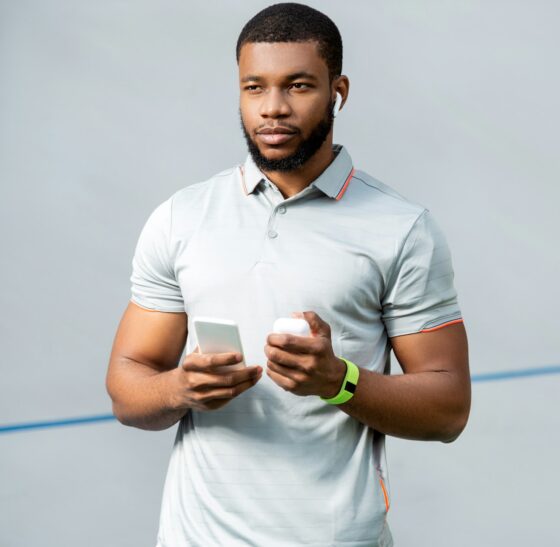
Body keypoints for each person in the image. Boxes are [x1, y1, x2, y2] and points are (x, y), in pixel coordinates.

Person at [105, 3, 470, 545]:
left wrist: (339, 382)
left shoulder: (402, 228)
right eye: (254, 87)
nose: (272, 109)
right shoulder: (181, 217)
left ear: (338, 91)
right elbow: (127, 386)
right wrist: (180, 387)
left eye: (298, 86)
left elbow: (448, 410)